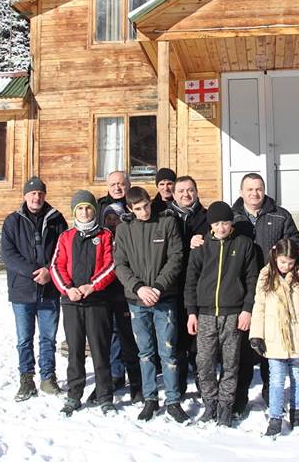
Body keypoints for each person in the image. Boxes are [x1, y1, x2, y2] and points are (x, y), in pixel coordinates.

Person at [114, 186, 190, 424]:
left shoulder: (166, 222)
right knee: (145, 352)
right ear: (130, 209)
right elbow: (120, 264)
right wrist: (139, 287)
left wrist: (158, 287)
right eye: (138, 209)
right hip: (137, 300)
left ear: (150, 202)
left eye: (146, 205)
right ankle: (150, 398)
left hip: (163, 298)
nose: (144, 211)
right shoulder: (124, 229)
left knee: (168, 351)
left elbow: (176, 258)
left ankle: (173, 400)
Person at [232, 172, 299, 414]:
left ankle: (270, 392)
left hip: (273, 290)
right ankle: (240, 397)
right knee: (242, 349)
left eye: (259, 189)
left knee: (269, 346)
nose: (255, 193)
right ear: (241, 192)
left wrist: (297, 260)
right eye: (249, 189)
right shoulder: (233, 217)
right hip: (241, 289)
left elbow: (296, 244)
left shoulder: (280, 215)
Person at [184, 201, 258, 428]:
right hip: (205, 314)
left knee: (231, 364)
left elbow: (252, 280)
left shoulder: (244, 244)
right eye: (216, 224)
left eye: (225, 222)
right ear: (210, 225)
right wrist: (191, 312)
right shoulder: (202, 246)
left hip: (233, 314)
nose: (221, 227)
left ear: (231, 222)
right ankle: (210, 403)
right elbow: (191, 281)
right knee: (204, 362)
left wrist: (247, 309)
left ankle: (226, 406)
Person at [50, 191, 119, 417]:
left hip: (97, 301)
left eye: (88, 208)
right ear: (74, 212)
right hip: (72, 302)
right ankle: (74, 394)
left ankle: (105, 395)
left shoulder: (105, 235)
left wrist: (93, 286)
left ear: (94, 211)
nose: (84, 212)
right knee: (75, 351)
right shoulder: (66, 237)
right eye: (80, 208)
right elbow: (56, 266)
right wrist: (68, 288)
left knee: (100, 350)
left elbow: (111, 264)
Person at [0, 176, 68, 401]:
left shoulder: (57, 219)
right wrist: (34, 272)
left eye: (40, 193)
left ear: (44, 195)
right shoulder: (12, 221)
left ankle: (48, 378)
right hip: (22, 290)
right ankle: (26, 380)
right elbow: (8, 255)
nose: (36, 197)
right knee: (24, 339)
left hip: (49, 290)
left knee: (48, 338)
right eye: (32, 193)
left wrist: (49, 270)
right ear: (25, 196)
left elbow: (63, 250)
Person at [249, 239, 299, 437]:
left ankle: (296, 415)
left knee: (298, 377)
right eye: (282, 262)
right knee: (276, 379)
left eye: (290, 263)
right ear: (275, 257)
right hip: (274, 336)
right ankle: (275, 418)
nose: (286, 266)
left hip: (298, 334)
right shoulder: (266, 275)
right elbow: (259, 306)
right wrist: (256, 335)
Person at [91, 202, 143, 404]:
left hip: (126, 292)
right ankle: (115, 375)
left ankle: (136, 381)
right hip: (104, 294)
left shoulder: (129, 235)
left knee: (128, 338)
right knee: (110, 338)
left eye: (116, 218)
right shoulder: (100, 237)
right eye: (109, 218)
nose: (112, 222)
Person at [164, 175, 209, 398]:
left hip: (199, 285)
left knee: (198, 336)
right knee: (176, 336)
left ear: (196, 191)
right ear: (173, 194)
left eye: (190, 190)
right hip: (172, 284)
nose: (186, 194)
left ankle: (202, 379)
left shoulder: (207, 217)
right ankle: (179, 382)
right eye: (181, 191)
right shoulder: (165, 217)